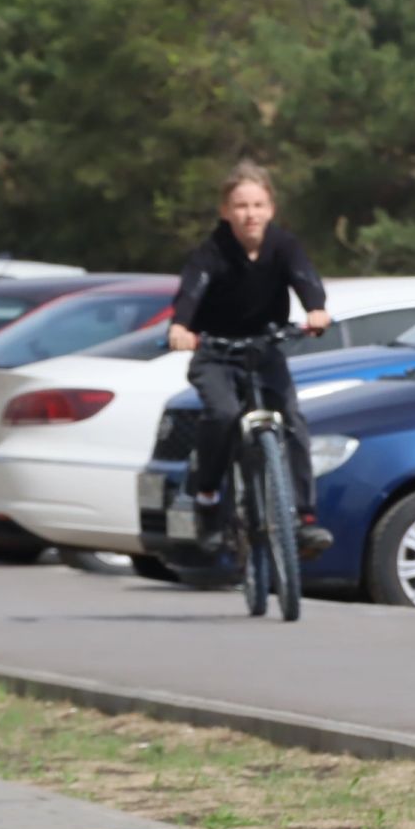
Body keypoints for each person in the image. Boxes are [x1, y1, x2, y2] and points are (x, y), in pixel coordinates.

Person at [168, 160, 334, 558]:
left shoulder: (283, 246)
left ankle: (303, 519)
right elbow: (191, 291)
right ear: (226, 211)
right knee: (223, 415)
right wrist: (181, 327)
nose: (250, 214)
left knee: (291, 419)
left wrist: (316, 309)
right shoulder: (212, 252)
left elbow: (305, 278)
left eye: (258, 204)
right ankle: (207, 500)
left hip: (264, 350)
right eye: (241, 206)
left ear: (271, 208)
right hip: (215, 353)